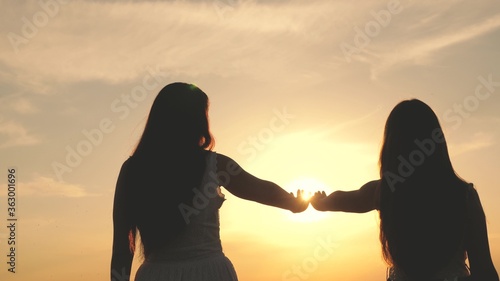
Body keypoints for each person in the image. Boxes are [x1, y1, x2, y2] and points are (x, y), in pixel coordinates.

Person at [110, 82, 308, 281]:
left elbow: (122, 249)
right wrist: (293, 203)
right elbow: (258, 189)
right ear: (196, 121)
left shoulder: (133, 171)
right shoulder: (215, 165)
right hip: (210, 274)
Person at [310, 99, 499, 281]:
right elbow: (485, 273)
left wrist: (321, 202)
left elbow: (345, 199)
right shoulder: (464, 196)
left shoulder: (386, 192)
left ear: (392, 146)